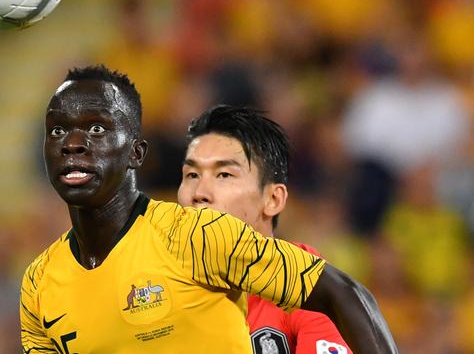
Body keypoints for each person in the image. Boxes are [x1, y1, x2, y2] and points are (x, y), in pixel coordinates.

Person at [20, 65, 397, 353]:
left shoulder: (196, 237)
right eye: (56, 131)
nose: (72, 143)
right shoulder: (39, 284)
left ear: (137, 152)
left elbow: (346, 295)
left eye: (97, 129)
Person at [177, 104, 351, 353]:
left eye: (224, 175)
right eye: (191, 175)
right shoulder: (149, 284)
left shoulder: (300, 280)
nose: (200, 194)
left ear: (273, 200)